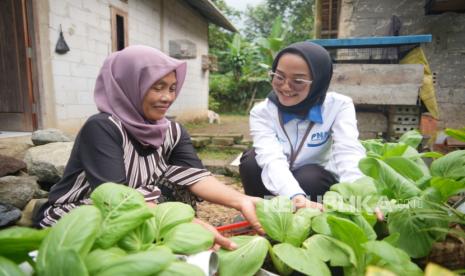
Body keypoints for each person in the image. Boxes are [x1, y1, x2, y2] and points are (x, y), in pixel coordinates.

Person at [33, 45, 263, 249]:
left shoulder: (171, 131)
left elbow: (196, 177)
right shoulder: (102, 127)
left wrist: (241, 200)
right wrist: (187, 226)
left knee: (177, 188)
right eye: (157, 87)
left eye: (172, 88)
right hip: (88, 212)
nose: (167, 97)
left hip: (139, 209)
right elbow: (114, 198)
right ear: (129, 84)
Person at [239, 41, 366, 210]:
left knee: (310, 177)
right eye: (279, 77)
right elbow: (271, 157)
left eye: (298, 80)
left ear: (318, 81)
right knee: (251, 161)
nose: (285, 86)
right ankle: (262, 210)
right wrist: (295, 196)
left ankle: (306, 216)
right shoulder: (262, 112)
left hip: (312, 180)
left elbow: (348, 151)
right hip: (278, 176)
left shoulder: (338, 106)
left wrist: (361, 194)